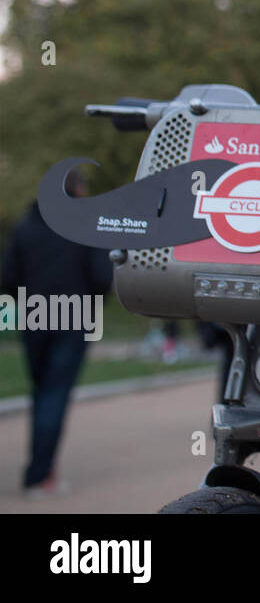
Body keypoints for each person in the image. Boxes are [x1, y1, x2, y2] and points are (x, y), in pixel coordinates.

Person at [2, 183, 113, 499]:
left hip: (34, 318)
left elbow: (8, 277)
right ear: (77, 191)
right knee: (54, 395)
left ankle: (42, 469)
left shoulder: (25, 227)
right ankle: (39, 476)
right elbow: (102, 277)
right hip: (73, 318)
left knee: (41, 393)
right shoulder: (84, 227)